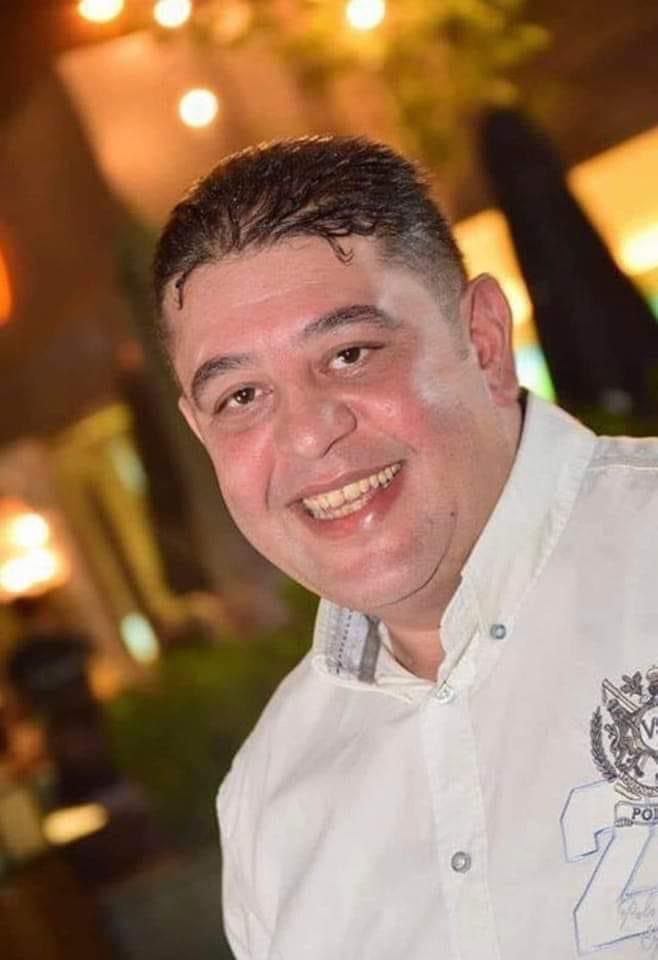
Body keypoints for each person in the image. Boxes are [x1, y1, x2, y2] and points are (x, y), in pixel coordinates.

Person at [153, 136, 658, 960]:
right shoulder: (267, 800)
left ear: (484, 341)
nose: (309, 435)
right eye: (241, 396)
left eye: (349, 355)